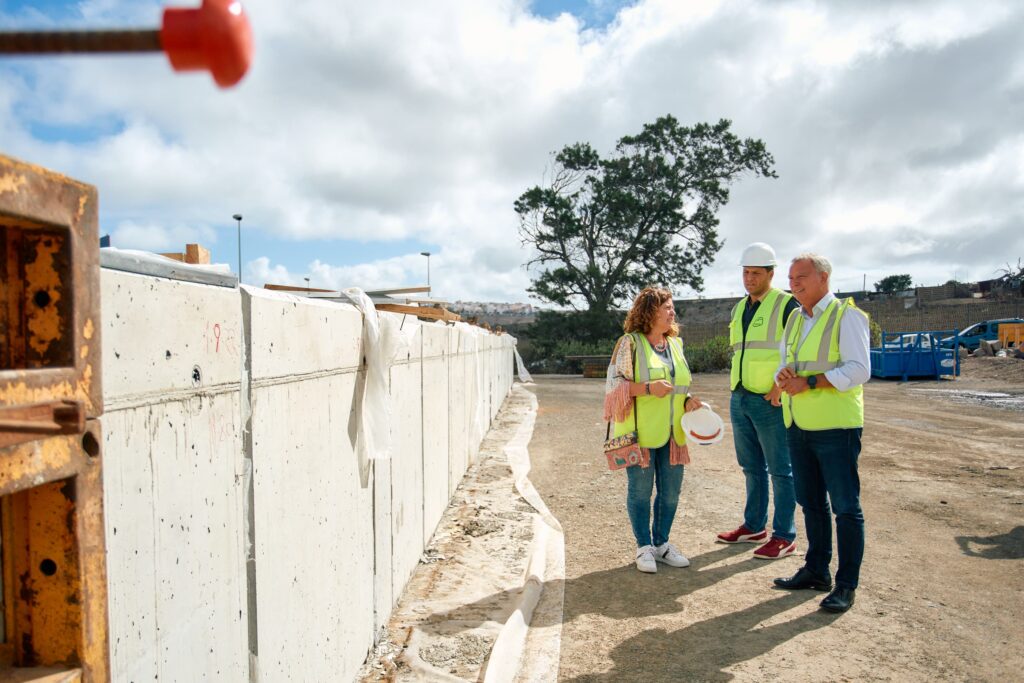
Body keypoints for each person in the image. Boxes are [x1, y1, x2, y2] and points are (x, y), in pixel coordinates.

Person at [773, 254, 871, 613]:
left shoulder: (847, 316)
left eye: (801, 277)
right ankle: (816, 570)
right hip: (798, 425)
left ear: (823, 278)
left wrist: (810, 382)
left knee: (846, 508)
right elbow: (788, 364)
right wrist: (782, 377)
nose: (794, 283)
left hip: (836, 427)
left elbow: (859, 370)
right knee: (811, 502)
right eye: (791, 277)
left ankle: (846, 585)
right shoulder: (796, 320)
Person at [604, 287, 706, 573]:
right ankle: (644, 547)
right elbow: (613, 387)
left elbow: (680, 385)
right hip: (640, 434)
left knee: (671, 493)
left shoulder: (676, 344)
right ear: (649, 311)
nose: (672, 312)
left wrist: (687, 401)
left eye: (672, 307)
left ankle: (662, 545)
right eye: (667, 307)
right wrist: (648, 389)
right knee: (640, 492)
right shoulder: (629, 344)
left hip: (675, 433)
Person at [717, 243, 801, 559]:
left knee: (781, 469)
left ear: (770, 273)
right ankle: (754, 525)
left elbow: (797, 349)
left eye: (755, 273)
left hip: (770, 400)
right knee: (750, 466)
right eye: (745, 272)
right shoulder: (740, 309)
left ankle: (785, 535)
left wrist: (780, 388)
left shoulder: (786, 304)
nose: (749, 278)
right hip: (740, 396)